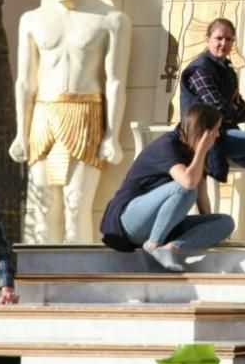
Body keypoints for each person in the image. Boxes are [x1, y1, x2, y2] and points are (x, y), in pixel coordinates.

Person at [9, 0, 132, 245]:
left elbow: (115, 81)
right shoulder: (33, 19)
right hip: (44, 117)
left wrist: (111, 133)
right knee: (42, 205)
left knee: (78, 203)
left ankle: (80, 277)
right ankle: (36, 277)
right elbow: (25, 82)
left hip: (87, 113)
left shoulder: (111, 20)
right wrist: (20, 131)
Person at [99, 103, 235, 272]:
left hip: (163, 226)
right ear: (202, 131)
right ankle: (154, 245)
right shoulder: (166, 145)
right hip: (128, 221)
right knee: (185, 188)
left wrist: (209, 230)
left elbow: (204, 205)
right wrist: (201, 150)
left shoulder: (193, 156)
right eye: (215, 129)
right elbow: (188, 183)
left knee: (225, 222)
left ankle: (170, 249)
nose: (217, 134)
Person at [180, 18, 245, 242]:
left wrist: (232, 108)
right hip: (204, 139)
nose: (223, 43)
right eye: (219, 38)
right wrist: (232, 107)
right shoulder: (199, 69)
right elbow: (219, 108)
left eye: (228, 39)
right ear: (208, 40)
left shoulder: (227, 69)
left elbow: (242, 111)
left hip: (222, 136)